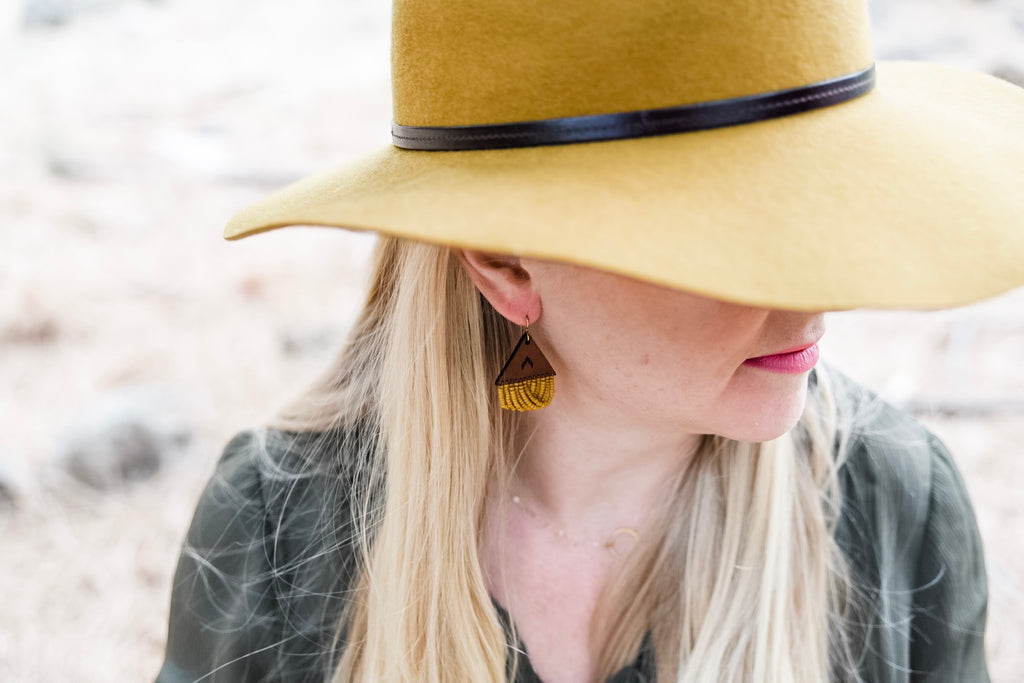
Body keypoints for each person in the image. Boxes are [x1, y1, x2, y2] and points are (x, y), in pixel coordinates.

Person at [155, 0, 1024, 681]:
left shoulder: (894, 511)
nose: (815, 290)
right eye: (736, 238)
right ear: (505, 264)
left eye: (819, 205)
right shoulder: (282, 536)